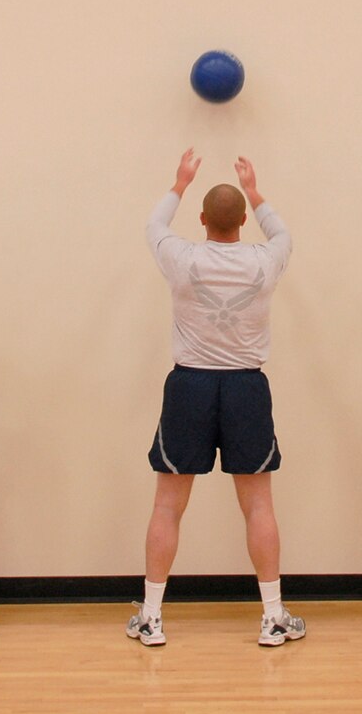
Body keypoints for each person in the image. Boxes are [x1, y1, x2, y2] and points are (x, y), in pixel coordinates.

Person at [130, 149, 303, 648]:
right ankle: (272, 618)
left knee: (168, 505)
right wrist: (255, 189)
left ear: (202, 220)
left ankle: (152, 618)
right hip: (246, 387)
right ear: (244, 221)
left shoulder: (181, 256)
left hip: (191, 386)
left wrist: (179, 181)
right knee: (258, 505)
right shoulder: (265, 259)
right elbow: (282, 233)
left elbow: (154, 222)